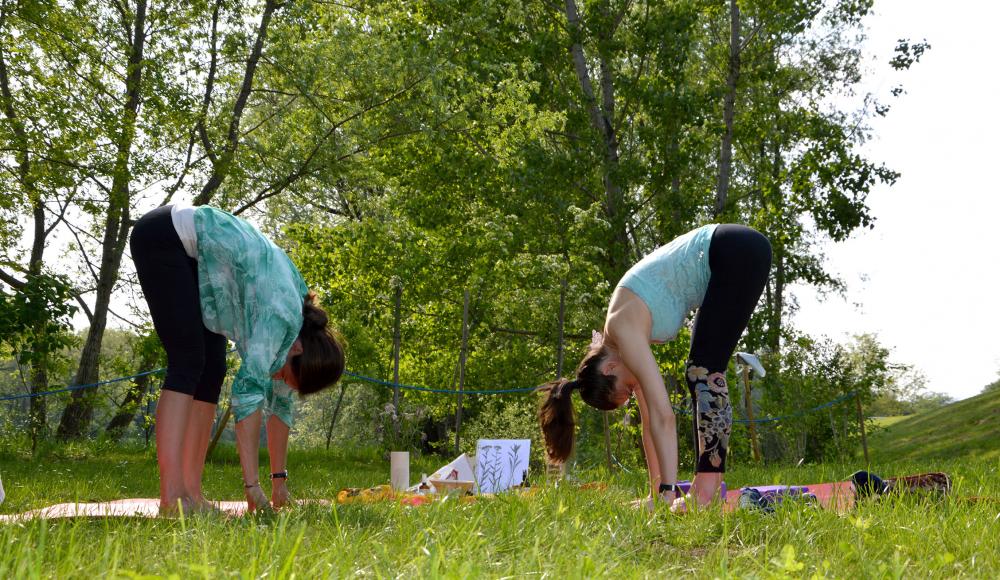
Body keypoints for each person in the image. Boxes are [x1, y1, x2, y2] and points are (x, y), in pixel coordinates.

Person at [130, 204, 345, 515]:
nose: (279, 381)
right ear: (298, 350)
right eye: (284, 376)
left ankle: (192, 493)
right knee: (188, 360)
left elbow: (281, 405)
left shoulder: (298, 334)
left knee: (213, 369)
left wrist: (278, 483)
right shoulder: (281, 317)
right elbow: (247, 397)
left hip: (200, 260)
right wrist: (252, 487)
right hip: (165, 236)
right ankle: (173, 498)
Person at [538, 224, 770, 511]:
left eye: (627, 389)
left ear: (610, 368)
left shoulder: (623, 329)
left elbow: (664, 417)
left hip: (734, 250)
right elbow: (651, 425)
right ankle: (707, 489)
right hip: (731, 257)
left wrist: (667, 492)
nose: (634, 390)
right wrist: (657, 492)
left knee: (703, 370)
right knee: (703, 370)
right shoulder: (621, 343)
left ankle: (706, 493)